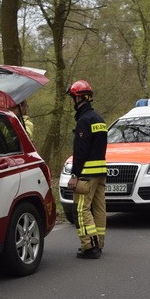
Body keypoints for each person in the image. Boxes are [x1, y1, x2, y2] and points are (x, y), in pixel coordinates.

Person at [67, 80, 108, 259]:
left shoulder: (84, 120)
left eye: (72, 98)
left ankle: (89, 246)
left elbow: (81, 151)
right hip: (100, 173)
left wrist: (74, 175)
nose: (71, 102)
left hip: (86, 174)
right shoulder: (99, 119)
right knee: (99, 209)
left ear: (79, 98)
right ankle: (98, 243)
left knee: (82, 209)